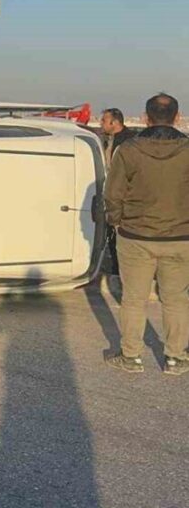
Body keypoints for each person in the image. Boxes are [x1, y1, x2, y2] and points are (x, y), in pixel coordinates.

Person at [104, 93, 189, 375]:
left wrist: (116, 222)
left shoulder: (128, 150)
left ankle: (131, 356)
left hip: (136, 236)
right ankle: (175, 358)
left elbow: (113, 194)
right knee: (176, 299)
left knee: (134, 298)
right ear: (177, 118)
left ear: (145, 118)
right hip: (180, 237)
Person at [100, 108, 138, 281]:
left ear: (114, 122)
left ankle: (119, 274)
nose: (101, 124)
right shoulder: (110, 140)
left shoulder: (128, 143)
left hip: (123, 199)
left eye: (103, 121)